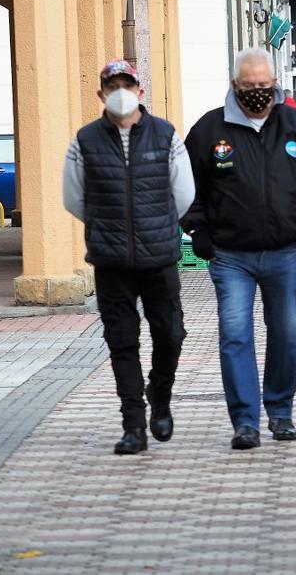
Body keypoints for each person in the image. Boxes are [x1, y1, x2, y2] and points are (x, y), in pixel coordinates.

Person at [182, 48, 296, 450]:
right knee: (235, 334)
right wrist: (197, 227)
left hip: (285, 250)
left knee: (285, 333)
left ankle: (281, 412)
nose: (257, 92)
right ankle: (245, 421)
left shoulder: (295, 125)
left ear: (275, 85)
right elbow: (186, 186)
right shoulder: (208, 130)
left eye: (264, 86)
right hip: (230, 254)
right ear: (235, 85)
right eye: (249, 86)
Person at [62, 59, 195, 454]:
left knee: (170, 334)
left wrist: (154, 223)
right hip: (111, 260)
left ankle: (161, 393)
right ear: (101, 93)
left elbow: (183, 194)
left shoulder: (165, 135)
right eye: (112, 84)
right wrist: (108, 224)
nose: (120, 91)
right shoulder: (84, 140)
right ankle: (133, 425)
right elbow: (74, 198)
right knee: (122, 342)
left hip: (159, 257)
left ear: (139, 91)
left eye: (127, 84)